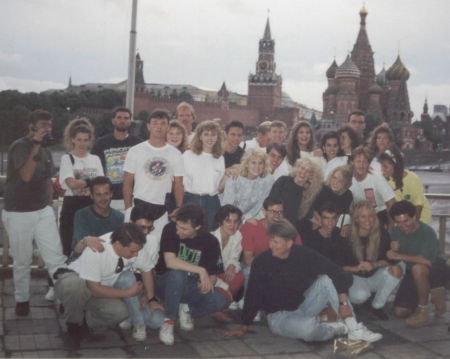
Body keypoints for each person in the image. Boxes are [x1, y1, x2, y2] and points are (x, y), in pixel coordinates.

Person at [225, 219, 382, 343]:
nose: (271, 245)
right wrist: (244, 326)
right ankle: (332, 329)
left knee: (327, 279)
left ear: (289, 242)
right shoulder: (262, 261)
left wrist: (343, 303)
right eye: (270, 240)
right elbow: (253, 294)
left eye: (276, 242)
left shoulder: (303, 254)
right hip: (280, 317)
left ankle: (353, 328)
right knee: (308, 330)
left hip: (305, 304)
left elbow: (337, 271)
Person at [2, 109, 67, 316]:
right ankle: (22, 300)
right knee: (22, 260)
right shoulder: (19, 147)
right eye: (42, 125)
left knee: (55, 257)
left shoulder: (47, 151)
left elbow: (48, 180)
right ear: (31, 126)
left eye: (49, 125)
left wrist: (48, 206)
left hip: (42, 211)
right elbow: (26, 175)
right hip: (19, 212)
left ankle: (66, 297)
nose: (47, 129)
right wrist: (36, 145)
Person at [53, 223, 154, 350]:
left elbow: (147, 270)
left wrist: (151, 299)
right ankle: (73, 326)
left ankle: (84, 322)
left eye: (138, 251)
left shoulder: (136, 244)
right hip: (77, 281)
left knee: (121, 312)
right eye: (132, 251)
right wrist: (128, 293)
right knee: (75, 286)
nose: (136, 255)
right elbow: (94, 289)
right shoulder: (97, 249)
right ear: (117, 244)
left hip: (98, 289)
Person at [154, 204, 228, 345]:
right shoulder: (169, 229)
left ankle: (186, 308)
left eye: (184, 229)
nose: (178, 231)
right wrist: (200, 270)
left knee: (220, 300)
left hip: (189, 287)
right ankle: (169, 321)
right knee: (177, 274)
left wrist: (207, 284)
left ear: (197, 227)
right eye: (178, 226)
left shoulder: (210, 241)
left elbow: (212, 274)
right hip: (164, 283)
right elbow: (170, 262)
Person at [123, 109, 185, 239]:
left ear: (168, 127)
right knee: (132, 245)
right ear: (148, 126)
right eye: (155, 123)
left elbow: (179, 184)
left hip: (162, 210)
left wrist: (179, 208)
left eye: (163, 123)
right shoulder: (135, 151)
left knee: (157, 248)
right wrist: (128, 209)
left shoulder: (175, 154)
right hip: (138, 205)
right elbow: (128, 182)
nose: (159, 127)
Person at [387, 201, 449, 327]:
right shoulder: (395, 231)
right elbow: (391, 256)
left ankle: (423, 309)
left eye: (406, 221)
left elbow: (427, 261)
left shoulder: (427, 231)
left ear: (414, 216)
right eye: (398, 222)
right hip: (412, 272)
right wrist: (390, 249)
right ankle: (432, 294)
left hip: (437, 269)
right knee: (400, 312)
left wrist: (399, 255)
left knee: (418, 268)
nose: (403, 225)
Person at [344, 201, 404, 319]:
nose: (368, 220)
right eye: (363, 217)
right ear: (356, 219)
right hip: (355, 276)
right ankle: (358, 300)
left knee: (397, 269)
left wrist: (374, 264)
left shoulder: (381, 232)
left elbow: (390, 260)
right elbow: (337, 264)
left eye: (371, 216)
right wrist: (355, 268)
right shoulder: (346, 235)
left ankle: (376, 306)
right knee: (360, 296)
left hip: (375, 275)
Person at [115, 204, 165, 341]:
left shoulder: (152, 241)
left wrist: (147, 297)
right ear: (131, 223)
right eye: (142, 227)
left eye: (150, 227)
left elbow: (149, 271)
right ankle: (138, 322)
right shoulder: (120, 238)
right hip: (121, 289)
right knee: (127, 278)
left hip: (139, 288)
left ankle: (132, 314)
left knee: (157, 321)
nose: (146, 232)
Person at [59, 117, 104, 256]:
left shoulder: (95, 159)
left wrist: (83, 182)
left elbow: (101, 183)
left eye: (85, 140)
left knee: (90, 244)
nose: (82, 143)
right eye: (79, 139)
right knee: (69, 243)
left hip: (90, 205)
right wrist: (91, 181)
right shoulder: (67, 158)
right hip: (71, 205)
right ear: (72, 139)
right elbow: (71, 184)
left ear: (90, 140)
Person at [240, 197, 302, 288]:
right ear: (264, 211)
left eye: (280, 212)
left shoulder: (288, 229)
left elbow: (299, 254)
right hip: (254, 266)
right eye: (273, 211)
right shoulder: (251, 227)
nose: (277, 216)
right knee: (252, 271)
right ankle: (247, 301)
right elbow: (248, 260)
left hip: (279, 267)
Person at [91, 107, 142, 210]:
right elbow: (94, 171)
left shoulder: (139, 144)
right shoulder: (100, 143)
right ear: (113, 120)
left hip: (133, 199)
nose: (122, 121)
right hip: (107, 199)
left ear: (130, 121)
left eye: (126, 118)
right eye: (119, 117)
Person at [183, 120, 225, 229]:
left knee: (210, 233)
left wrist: (228, 175)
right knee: (190, 232)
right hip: (191, 200)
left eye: (213, 135)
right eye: (206, 134)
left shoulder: (220, 158)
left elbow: (220, 188)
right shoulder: (188, 155)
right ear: (200, 136)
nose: (210, 138)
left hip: (212, 202)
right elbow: (180, 181)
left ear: (218, 137)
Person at [71, 176, 124, 262]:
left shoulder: (120, 217)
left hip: (110, 262)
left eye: (106, 194)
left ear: (111, 194)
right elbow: (78, 249)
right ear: (91, 195)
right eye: (98, 194)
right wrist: (85, 241)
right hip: (83, 261)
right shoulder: (81, 215)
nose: (103, 198)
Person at [379, 147, 432, 224]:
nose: (382, 169)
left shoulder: (413, 179)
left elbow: (418, 206)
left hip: (420, 222)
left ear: (396, 166)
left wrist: (413, 227)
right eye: (381, 166)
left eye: (385, 166)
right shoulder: (386, 180)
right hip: (401, 223)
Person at [269, 157, 323, 230]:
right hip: (274, 222)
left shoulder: (309, 193)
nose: (303, 172)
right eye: (302, 168)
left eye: (308, 171)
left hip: (290, 228)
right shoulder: (283, 180)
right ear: (297, 168)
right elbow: (271, 202)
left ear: (311, 176)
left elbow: (307, 214)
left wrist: (320, 223)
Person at [349, 146, 395, 229]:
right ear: (352, 162)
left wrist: (390, 227)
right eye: (358, 161)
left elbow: (391, 203)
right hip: (359, 217)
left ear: (368, 164)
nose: (361, 165)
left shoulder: (377, 178)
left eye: (365, 162)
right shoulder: (348, 179)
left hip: (379, 215)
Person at [221, 149, 274, 221]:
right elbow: (227, 206)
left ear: (264, 165)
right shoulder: (234, 179)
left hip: (250, 218)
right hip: (229, 219)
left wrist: (245, 219)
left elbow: (259, 205)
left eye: (260, 163)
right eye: (253, 163)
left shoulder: (266, 181)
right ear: (246, 164)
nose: (257, 167)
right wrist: (238, 221)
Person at [210, 205, 244, 315]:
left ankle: (221, 304)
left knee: (238, 277)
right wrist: (226, 288)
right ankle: (222, 302)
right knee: (225, 287)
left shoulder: (238, 235)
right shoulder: (211, 238)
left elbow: (235, 257)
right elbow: (209, 269)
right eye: (228, 221)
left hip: (222, 273)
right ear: (220, 222)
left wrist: (233, 265)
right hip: (210, 274)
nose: (232, 225)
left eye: (235, 221)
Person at [312, 165, 353, 236]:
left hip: (333, 226)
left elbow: (343, 215)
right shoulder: (321, 188)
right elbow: (311, 210)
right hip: (315, 222)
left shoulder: (348, 195)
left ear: (346, 183)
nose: (335, 182)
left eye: (340, 181)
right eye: (334, 178)